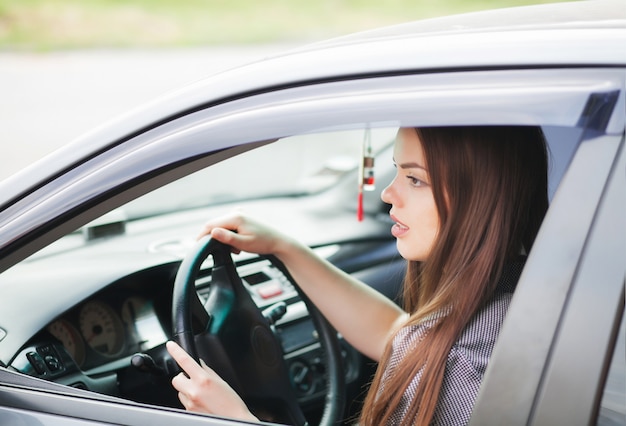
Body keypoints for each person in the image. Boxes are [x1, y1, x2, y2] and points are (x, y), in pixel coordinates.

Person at [166, 125, 549, 425]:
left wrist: (237, 421)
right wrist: (285, 248)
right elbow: (397, 336)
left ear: (479, 200)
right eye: (397, 171)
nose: (387, 193)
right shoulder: (516, 294)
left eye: (415, 180)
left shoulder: (462, 366)